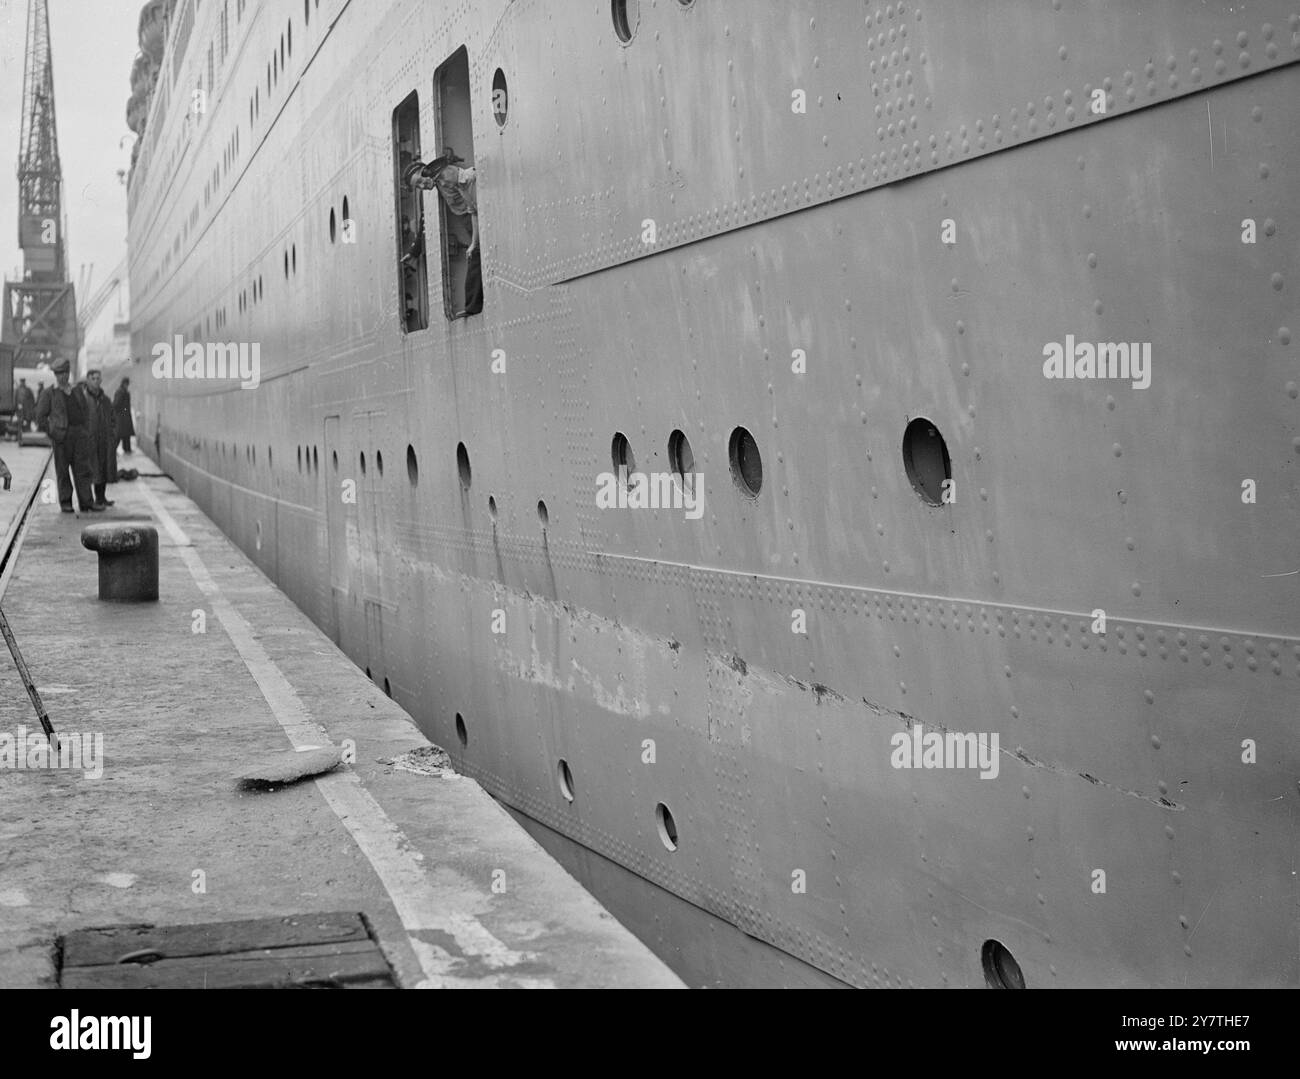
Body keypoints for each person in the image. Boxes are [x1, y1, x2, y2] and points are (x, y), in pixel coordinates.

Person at [405, 149, 482, 316]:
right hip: (468, 219)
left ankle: (473, 307)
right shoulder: (438, 183)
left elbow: (473, 209)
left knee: (475, 254)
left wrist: (474, 242)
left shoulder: (447, 178)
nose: (422, 186)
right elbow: (424, 220)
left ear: (426, 170)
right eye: (417, 186)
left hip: (473, 217)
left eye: (420, 180)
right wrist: (415, 250)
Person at [34, 358, 99, 513]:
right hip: (61, 437)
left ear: (68, 373)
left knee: (83, 470)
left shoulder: (77, 391)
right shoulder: (49, 393)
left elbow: (85, 412)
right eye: (58, 374)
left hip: (79, 436)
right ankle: (66, 503)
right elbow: (40, 418)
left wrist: (85, 430)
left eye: (64, 373)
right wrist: (53, 432)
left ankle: (86, 502)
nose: (62, 377)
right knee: (63, 471)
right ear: (55, 375)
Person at [82, 368, 117, 508]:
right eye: (94, 378)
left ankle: (102, 498)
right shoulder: (84, 399)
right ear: (88, 380)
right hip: (90, 441)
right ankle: (93, 500)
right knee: (92, 471)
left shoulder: (105, 400)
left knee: (103, 469)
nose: (97, 381)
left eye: (98, 378)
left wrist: (113, 435)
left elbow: (113, 419)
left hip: (105, 441)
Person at [112, 377, 134, 453]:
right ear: (124, 383)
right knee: (119, 434)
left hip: (124, 416)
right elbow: (116, 404)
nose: (127, 385)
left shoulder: (123, 391)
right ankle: (112, 450)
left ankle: (127, 449)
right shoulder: (120, 392)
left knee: (125, 434)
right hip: (121, 417)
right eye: (127, 384)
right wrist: (124, 410)